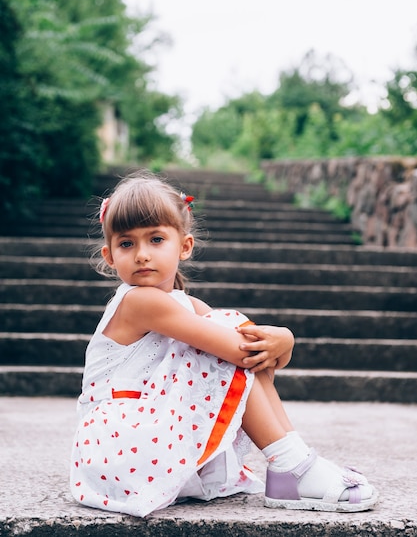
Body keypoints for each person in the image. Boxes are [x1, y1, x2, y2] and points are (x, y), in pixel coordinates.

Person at [70, 171, 378, 517]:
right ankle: (290, 463)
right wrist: (284, 339)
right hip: (118, 447)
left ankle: (294, 461)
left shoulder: (184, 305)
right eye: (127, 243)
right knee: (228, 329)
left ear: (184, 246)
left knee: (227, 328)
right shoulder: (140, 302)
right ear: (109, 255)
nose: (142, 254)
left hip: (141, 446)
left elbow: (254, 357)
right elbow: (241, 350)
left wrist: (279, 344)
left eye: (156, 240)